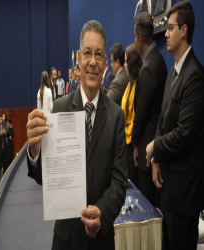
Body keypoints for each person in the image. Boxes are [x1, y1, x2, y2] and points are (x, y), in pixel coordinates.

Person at [26, 20, 127, 250]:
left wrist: (102, 211)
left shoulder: (116, 116)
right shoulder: (59, 109)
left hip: (102, 240)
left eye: (99, 55)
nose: (93, 61)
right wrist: (34, 151)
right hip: (66, 239)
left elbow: (120, 182)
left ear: (104, 64)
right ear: (79, 58)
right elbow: (45, 179)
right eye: (88, 54)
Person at [146, 2, 204, 249]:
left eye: (170, 29)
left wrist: (154, 147)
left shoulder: (195, 76)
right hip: (168, 190)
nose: (165, 34)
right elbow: (162, 118)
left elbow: (184, 134)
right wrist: (157, 159)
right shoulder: (173, 73)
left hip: (184, 196)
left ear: (184, 30)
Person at [131, 12, 167, 208]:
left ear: (140, 37)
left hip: (148, 149)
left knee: (147, 211)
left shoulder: (148, 68)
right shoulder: (159, 60)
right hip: (155, 143)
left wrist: (135, 142)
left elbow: (141, 114)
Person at [121, 43, 142, 181]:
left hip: (130, 145)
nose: (124, 65)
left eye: (126, 61)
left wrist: (125, 134)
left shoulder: (138, 86)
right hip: (125, 144)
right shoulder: (130, 84)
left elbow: (135, 120)